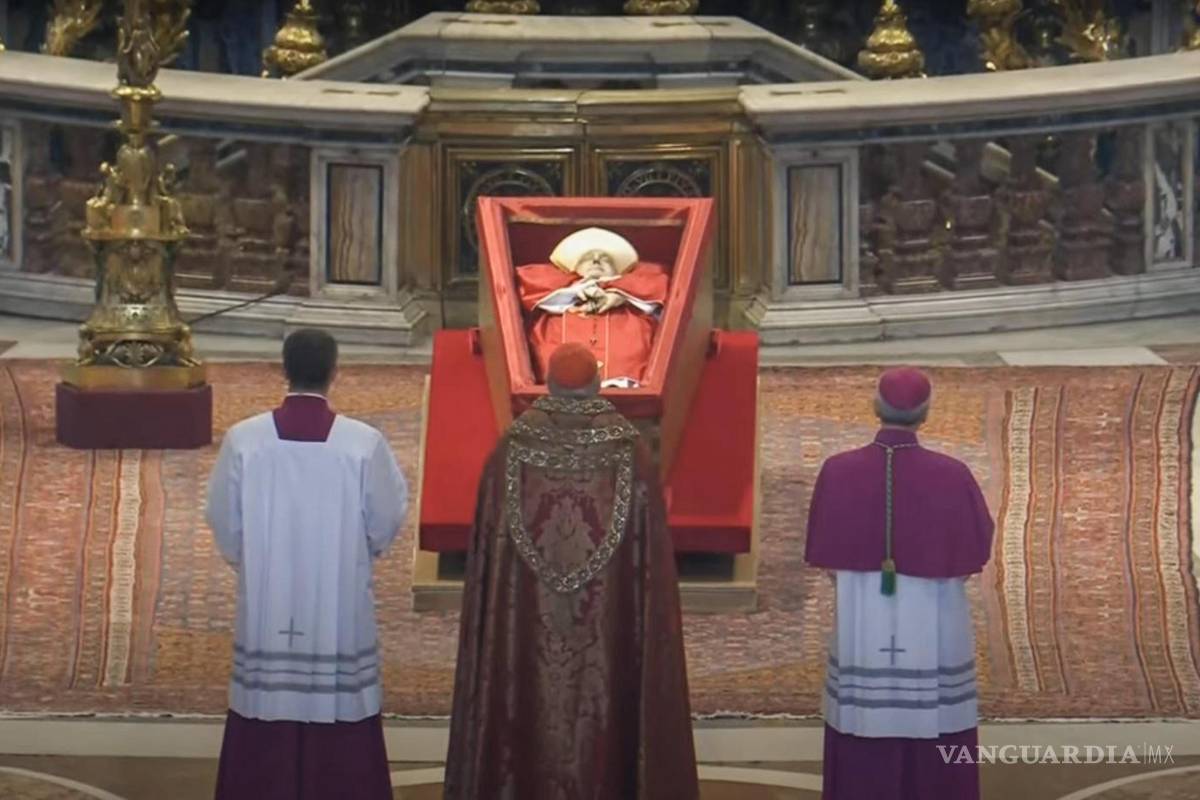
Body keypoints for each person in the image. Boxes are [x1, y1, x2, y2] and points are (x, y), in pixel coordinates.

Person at [444, 342, 699, 800]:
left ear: (549, 385)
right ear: (598, 384)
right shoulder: (631, 454)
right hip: (607, 632)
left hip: (526, 628)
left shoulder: (509, 452)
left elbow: (488, 561)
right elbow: (650, 568)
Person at [206, 328, 408, 800]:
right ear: (335, 372)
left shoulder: (244, 441)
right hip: (338, 600)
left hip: (269, 600)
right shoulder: (362, 444)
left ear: (284, 369)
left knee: (266, 697)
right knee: (339, 699)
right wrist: (358, 556)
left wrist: (253, 563)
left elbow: (222, 517)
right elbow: (386, 517)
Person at [805, 367, 994, 800]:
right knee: (938, 711)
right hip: (935, 612)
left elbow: (827, 558)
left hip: (862, 612)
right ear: (925, 414)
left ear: (876, 407)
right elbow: (973, 553)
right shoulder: (952, 475)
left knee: (862, 713)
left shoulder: (838, 471)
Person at [516, 227, 670, 387]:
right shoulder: (551, 305)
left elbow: (662, 289)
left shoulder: (638, 306)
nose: (596, 261)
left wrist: (619, 293)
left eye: (606, 259)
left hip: (627, 392)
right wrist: (578, 289)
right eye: (587, 258)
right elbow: (526, 285)